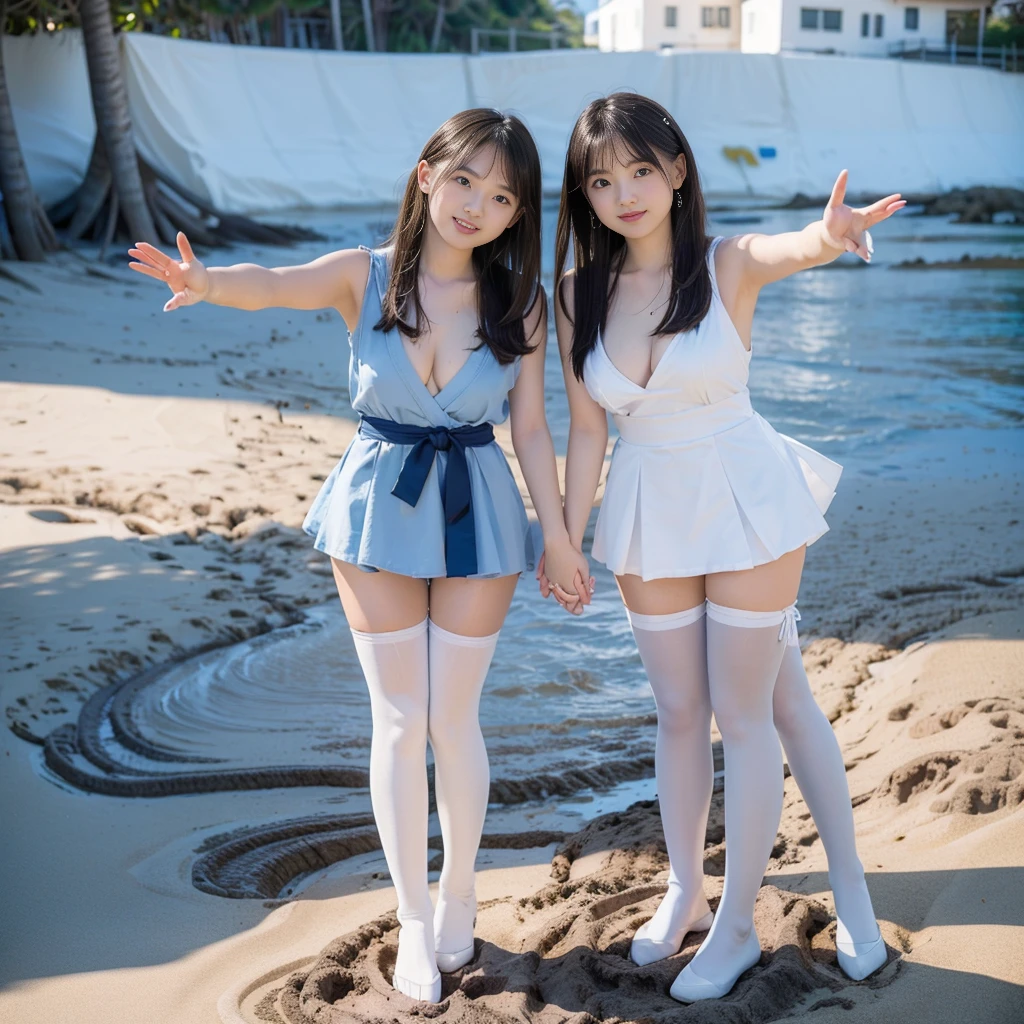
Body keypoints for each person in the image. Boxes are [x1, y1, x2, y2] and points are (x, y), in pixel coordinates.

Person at [129, 108, 592, 1005]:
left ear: (514, 215)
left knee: (453, 720)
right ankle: (413, 920)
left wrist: (562, 532)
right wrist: (209, 280)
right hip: (377, 508)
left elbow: (533, 428)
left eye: (501, 196)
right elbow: (276, 282)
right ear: (427, 174)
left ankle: (461, 898)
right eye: (464, 180)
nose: (478, 206)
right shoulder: (365, 275)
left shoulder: (521, 301)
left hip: (481, 514)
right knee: (397, 720)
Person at [544, 92, 904, 1002]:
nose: (623, 191)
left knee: (748, 715)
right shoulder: (579, 294)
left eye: (639, 169)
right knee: (685, 712)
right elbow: (587, 431)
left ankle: (752, 922)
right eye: (601, 178)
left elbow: (792, 248)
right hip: (646, 505)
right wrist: (565, 537)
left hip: (744, 494)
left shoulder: (726, 261)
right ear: (584, 196)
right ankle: (688, 891)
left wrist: (830, 235)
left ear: (677, 171)